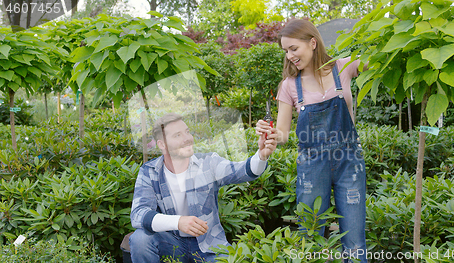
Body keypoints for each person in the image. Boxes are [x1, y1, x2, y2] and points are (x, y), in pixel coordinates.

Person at [256, 19, 367, 262]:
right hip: (311, 166)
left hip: (349, 162)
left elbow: (379, 62)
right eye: (285, 51)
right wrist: (270, 133)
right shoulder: (289, 86)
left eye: (293, 49)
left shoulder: (343, 67)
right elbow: (283, 132)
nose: (289, 56)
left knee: (355, 238)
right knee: (309, 235)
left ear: (313, 42)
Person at [130, 113, 278, 263]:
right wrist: (178, 222)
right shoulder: (149, 172)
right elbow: (138, 214)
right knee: (140, 239)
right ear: (162, 144)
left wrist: (262, 155)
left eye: (187, 132)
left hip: (210, 246)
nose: (187, 138)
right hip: (172, 243)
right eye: (177, 135)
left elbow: (242, 171)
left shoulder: (208, 163)